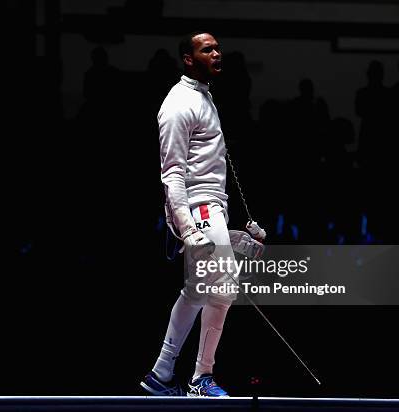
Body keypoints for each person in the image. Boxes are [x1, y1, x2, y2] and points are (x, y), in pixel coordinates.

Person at [140, 31, 263, 397]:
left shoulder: (204, 99)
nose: (216, 53)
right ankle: (200, 378)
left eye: (217, 47)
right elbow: (173, 173)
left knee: (197, 292)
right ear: (188, 58)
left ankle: (162, 375)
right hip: (198, 209)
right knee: (222, 289)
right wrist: (189, 226)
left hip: (211, 209)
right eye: (207, 49)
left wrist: (235, 232)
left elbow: (208, 171)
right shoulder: (178, 104)